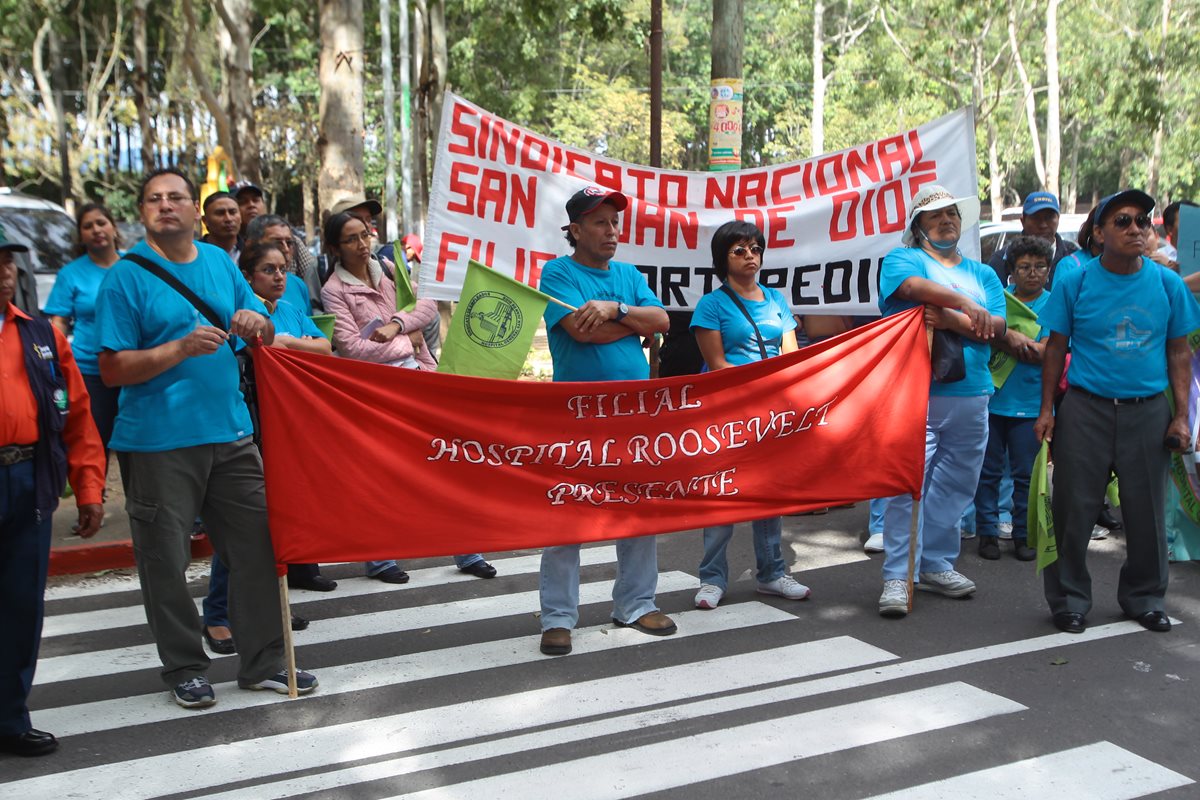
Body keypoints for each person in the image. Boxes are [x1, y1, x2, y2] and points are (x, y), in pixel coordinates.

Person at [95, 167, 317, 707]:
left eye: (176, 198)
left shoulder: (220, 262)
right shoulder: (124, 277)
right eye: (154, 199)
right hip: (158, 443)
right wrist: (177, 349)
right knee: (165, 560)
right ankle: (185, 667)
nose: (166, 206)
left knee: (259, 548)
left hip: (233, 433)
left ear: (195, 211)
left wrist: (255, 322)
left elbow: (262, 335)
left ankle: (264, 660)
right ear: (142, 212)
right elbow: (112, 368)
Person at [1034, 189, 1199, 635]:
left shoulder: (1166, 284)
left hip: (1148, 413)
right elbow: (1055, 349)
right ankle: (1069, 600)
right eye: (1123, 221)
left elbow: (1179, 352)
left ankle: (1144, 598)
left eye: (1142, 221)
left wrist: (1181, 416)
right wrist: (1047, 409)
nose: (1136, 229)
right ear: (1100, 231)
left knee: (1146, 514)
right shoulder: (1076, 281)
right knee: (1073, 511)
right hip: (1085, 410)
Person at [320, 211, 496, 584]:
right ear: (336, 248)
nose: (361, 243)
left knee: (448, 464)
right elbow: (352, 348)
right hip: (376, 392)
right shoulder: (334, 290)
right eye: (351, 239)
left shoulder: (389, 266)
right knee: (384, 474)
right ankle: (381, 558)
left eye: (364, 234)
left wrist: (397, 325)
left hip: (421, 378)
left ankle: (467, 550)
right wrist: (409, 336)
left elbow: (427, 305)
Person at [537, 186, 673, 656]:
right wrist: (633, 324)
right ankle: (558, 617)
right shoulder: (556, 272)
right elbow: (579, 329)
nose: (612, 231)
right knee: (568, 511)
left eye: (614, 222)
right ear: (575, 230)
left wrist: (617, 310)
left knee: (637, 507)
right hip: (575, 414)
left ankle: (635, 603)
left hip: (631, 414)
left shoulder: (629, 275)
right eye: (600, 222)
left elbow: (662, 322)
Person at [876, 184, 1006, 618]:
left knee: (957, 485)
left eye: (952, 213)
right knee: (905, 485)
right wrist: (968, 305)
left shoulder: (984, 273)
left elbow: (999, 328)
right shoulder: (903, 259)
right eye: (935, 216)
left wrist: (953, 317)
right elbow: (912, 289)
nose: (947, 220)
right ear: (919, 226)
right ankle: (898, 574)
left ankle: (934, 563)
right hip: (915, 392)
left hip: (973, 393)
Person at [1, 228, 105, 756]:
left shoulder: (40, 334)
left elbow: (79, 415)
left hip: (27, 479)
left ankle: (10, 718)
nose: (4, 272)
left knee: (22, 606)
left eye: (7, 263)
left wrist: (89, 488)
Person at [690, 220, 811, 609]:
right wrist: (761, 381)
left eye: (755, 249)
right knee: (722, 495)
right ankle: (712, 578)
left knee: (769, 496)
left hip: (771, 414)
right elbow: (716, 365)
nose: (750, 256)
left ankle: (773, 573)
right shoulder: (711, 305)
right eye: (739, 250)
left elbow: (791, 358)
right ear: (722, 259)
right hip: (726, 414)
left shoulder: (776, 299)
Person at [975, 236, 1054, 562]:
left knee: (1026, 477)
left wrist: (1005, 338)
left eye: (1039, 266)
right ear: (1012, 271)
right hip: (992, 403)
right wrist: (1017, 343)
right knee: (988, 474)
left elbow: (1044, 354)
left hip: (1031, 407)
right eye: (1024, 267)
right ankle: (987, 534)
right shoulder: (998, 304)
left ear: (1048, 270)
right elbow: (983, 335)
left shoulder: (1054, 303)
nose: (1032, 273)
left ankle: (1023, 535)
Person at [44, 203, 124, 454]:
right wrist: (57, 368)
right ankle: (93, 494)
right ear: (80, 236)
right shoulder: (70, 274)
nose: (96, 230)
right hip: (90, 372)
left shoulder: (134, 265)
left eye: (101, 223)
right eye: (88, 226)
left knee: (137, 448)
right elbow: (59, 323)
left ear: (114, 228)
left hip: (134, 367)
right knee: (94, 446)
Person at [987, 191, 1078, 288]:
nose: (1043, 225)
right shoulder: (1002, 260)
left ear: (1058, 219)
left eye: (1049, 217)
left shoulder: (1074, 256)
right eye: (1036, 218)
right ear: (1023, 221)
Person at [245, 214, 317, 314]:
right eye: (277, 243)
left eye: (289, 243)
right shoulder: (239, 287)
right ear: (251, 244)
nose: (286, 249)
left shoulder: (298, 285)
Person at [200, 191, 242, 263]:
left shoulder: (253, 252)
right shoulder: (194, 254)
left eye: (232, 212)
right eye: (220, 213)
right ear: (205, 220)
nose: (228, 219)